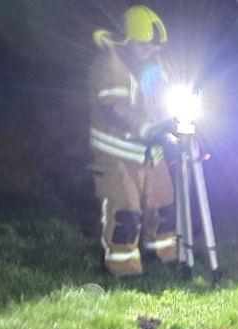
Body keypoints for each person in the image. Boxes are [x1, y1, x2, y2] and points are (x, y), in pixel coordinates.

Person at [88, 6, 180, 277]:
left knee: (162, 206)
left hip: (150, 149)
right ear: (128, 41)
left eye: (155, 47)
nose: (151, 52)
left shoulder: (154, 63)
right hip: (117, 152)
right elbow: (113, 105)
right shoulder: (109, 63)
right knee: (125, 211)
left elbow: (162, 98)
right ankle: (123, 267)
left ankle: (164, 254)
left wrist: (171, 121)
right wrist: (146, 127)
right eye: (145, 46)